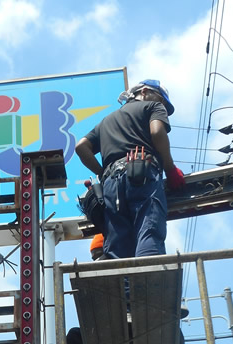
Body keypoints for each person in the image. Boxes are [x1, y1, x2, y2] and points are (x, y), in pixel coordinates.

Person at [75, 79, 184, 260]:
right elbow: (157, 132)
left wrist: (103, 173)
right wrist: (170, 169)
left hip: (111, 184)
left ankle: (124, 288)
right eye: (161, 99)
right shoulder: (152, 107)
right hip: (142, 172)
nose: (162, 104)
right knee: (148, 228)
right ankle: (148, 283)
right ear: (144, 91)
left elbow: (81, 147)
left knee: (117, 242)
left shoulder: (106, 121)